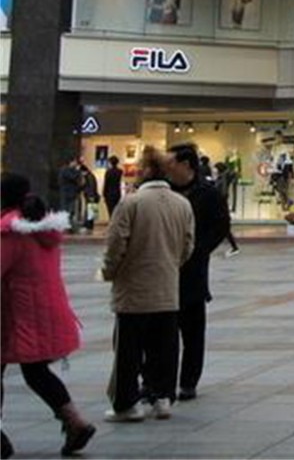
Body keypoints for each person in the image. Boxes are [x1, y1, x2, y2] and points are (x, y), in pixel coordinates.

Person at [1, 173, 96, 458]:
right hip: (43, 310)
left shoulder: (11, 230)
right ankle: (75, 422)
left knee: (32, 372)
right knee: (37, 372)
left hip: (17, 314)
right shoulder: (40, 226)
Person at [100, 145, 194, 422]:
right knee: (164, 346)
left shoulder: (131, 203)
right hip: (167, 288)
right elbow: (188, 245)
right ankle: (162, 396)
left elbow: (116, 244)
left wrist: (109, 271)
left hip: (134, 289)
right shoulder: (182, 204)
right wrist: (171, 264)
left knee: (128, 350)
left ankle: (126, 402)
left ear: (145, 171)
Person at [165, 143, 229, 401]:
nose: (167, 168)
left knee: (192, 332)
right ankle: (161, 382)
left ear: (186, 165)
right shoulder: (164, 191)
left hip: (192, 272)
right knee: (164, 333)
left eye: (171, 163)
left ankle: (188, 382)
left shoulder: (207, 193)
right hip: (164, 271)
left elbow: (221, 226)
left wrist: (199, 250)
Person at [57, 159, 84, 234]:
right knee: (66, 211)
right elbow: (73, 177)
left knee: (71, 211)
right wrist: (78, 171)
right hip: (67, 194)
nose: (76, 164)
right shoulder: (65, 170)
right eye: (75, 162)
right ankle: (66, 227)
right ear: (71, 162)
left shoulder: (70, 170)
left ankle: (69, 227)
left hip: (71, 194)